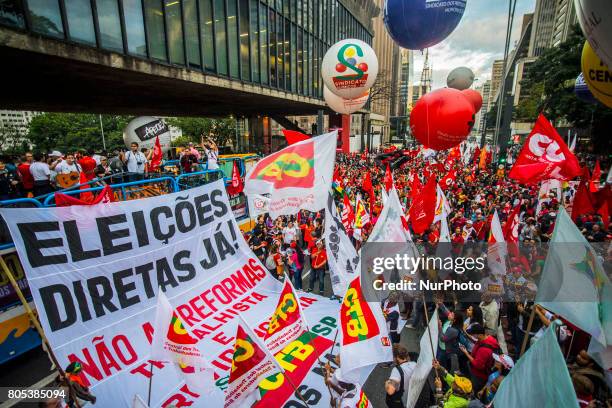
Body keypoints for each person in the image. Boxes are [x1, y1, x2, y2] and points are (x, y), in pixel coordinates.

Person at [459, 323, 501, 395]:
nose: (472, 335)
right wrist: (466, 333)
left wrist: (466, 353)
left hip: (479, 375)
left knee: (475, 388)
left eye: (473, 334)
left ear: (479, 335)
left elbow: (477, 365)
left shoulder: (484, 350)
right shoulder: (489, 338)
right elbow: (476, 341)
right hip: (483, 373)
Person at [385, 344, 416, 408]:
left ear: (397, 357)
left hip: (404, 401)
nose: (393, 359)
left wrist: (387, 383)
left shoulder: (396, 371)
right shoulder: (414, 364)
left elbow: (390, 391)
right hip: (414, 397)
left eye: (393, 357)